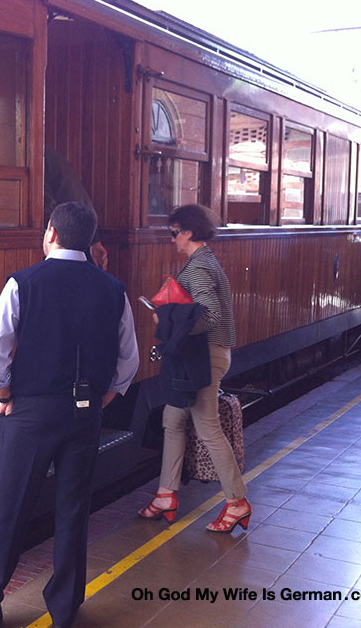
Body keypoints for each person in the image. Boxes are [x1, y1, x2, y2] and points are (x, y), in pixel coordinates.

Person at [0, 201, 139, 628]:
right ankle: (64, 609)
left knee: (9, 508)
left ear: (50, 234)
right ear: (88, 240)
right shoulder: (113, 289)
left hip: (30, 412)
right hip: (84, 415)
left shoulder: (24, 283)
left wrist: (3, 390)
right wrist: (108, 394)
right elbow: (128, 358)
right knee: (72, 509)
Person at [138, 204, 250, 533]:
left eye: (174, 233)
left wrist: (166, 321)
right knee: (172, 419)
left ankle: (237, 501)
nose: (172, 239)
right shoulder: (205, 261)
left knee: (208, 428)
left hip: (205, 357)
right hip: (199, 356)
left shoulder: (199, 268)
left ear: (187, 232)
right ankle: (165, 494)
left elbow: (210, 315)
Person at [44, 148, 108, 269]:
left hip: (59, 241)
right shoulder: (50, 156)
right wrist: (94, 239)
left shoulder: (44, 157)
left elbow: (75, 196)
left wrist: (94, 240)